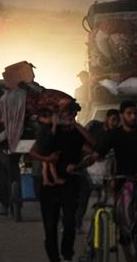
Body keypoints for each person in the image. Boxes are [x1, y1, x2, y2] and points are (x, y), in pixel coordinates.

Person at [30, 104, 96, 262]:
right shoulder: (50, 131)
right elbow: (33, 151)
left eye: (70, 114)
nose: (67, 117)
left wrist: (76, 125)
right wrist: (47, 159)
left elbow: (93, 144)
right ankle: (54, 258)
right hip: (49, 185)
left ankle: (67, 254)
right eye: (64, 114)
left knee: (69, 222)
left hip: (70, 183)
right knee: (50, 226)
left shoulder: (76, 133)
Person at [94, 100, 137, 261]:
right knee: (121, 222)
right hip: (123, 182)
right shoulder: (114, 135)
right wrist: (83, 164)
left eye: (134, 113)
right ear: (122, 115)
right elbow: (99, 153)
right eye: (129, 114)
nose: (132, 117)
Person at [35, 108, 65, 186]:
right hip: (45, 150)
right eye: (48, 117)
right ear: (41, 119)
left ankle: (46, 180)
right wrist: (54, 124)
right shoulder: (44, 127)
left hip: (41, 149)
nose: (50, 118)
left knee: (45, 165)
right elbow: (51, 135)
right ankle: (54, 179)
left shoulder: (41, 126)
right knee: (51, 164)